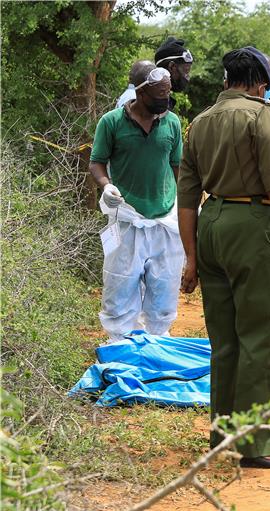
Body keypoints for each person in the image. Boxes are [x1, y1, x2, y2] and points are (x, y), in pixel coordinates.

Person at [177, 46, 270, 469]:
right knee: (261, 340)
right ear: (260, 83)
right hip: (255, 226)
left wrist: (192, 259)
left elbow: (185, 199)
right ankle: (253, 443)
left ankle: (221, 435)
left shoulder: (199, 122)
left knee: (225, 342)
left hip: (210, 222)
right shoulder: (261, 116)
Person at [88, 62, 184, 342]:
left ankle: (159, 340)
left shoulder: (172, 123)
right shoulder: (112, 122)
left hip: (165, 219)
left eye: (167, 95)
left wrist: (188, 202)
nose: (164, 101)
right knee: (120, 284)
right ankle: (119, 343)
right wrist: (106, 186)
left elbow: (177, 167)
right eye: (158, 96)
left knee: (164, 286)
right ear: (140, 93)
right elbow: (97, 162)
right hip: (127, 218)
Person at [154, 37, 193, 110]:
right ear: (172, 67)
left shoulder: (165, 101)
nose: (188, 77)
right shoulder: (152, 104)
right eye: (186, 71)